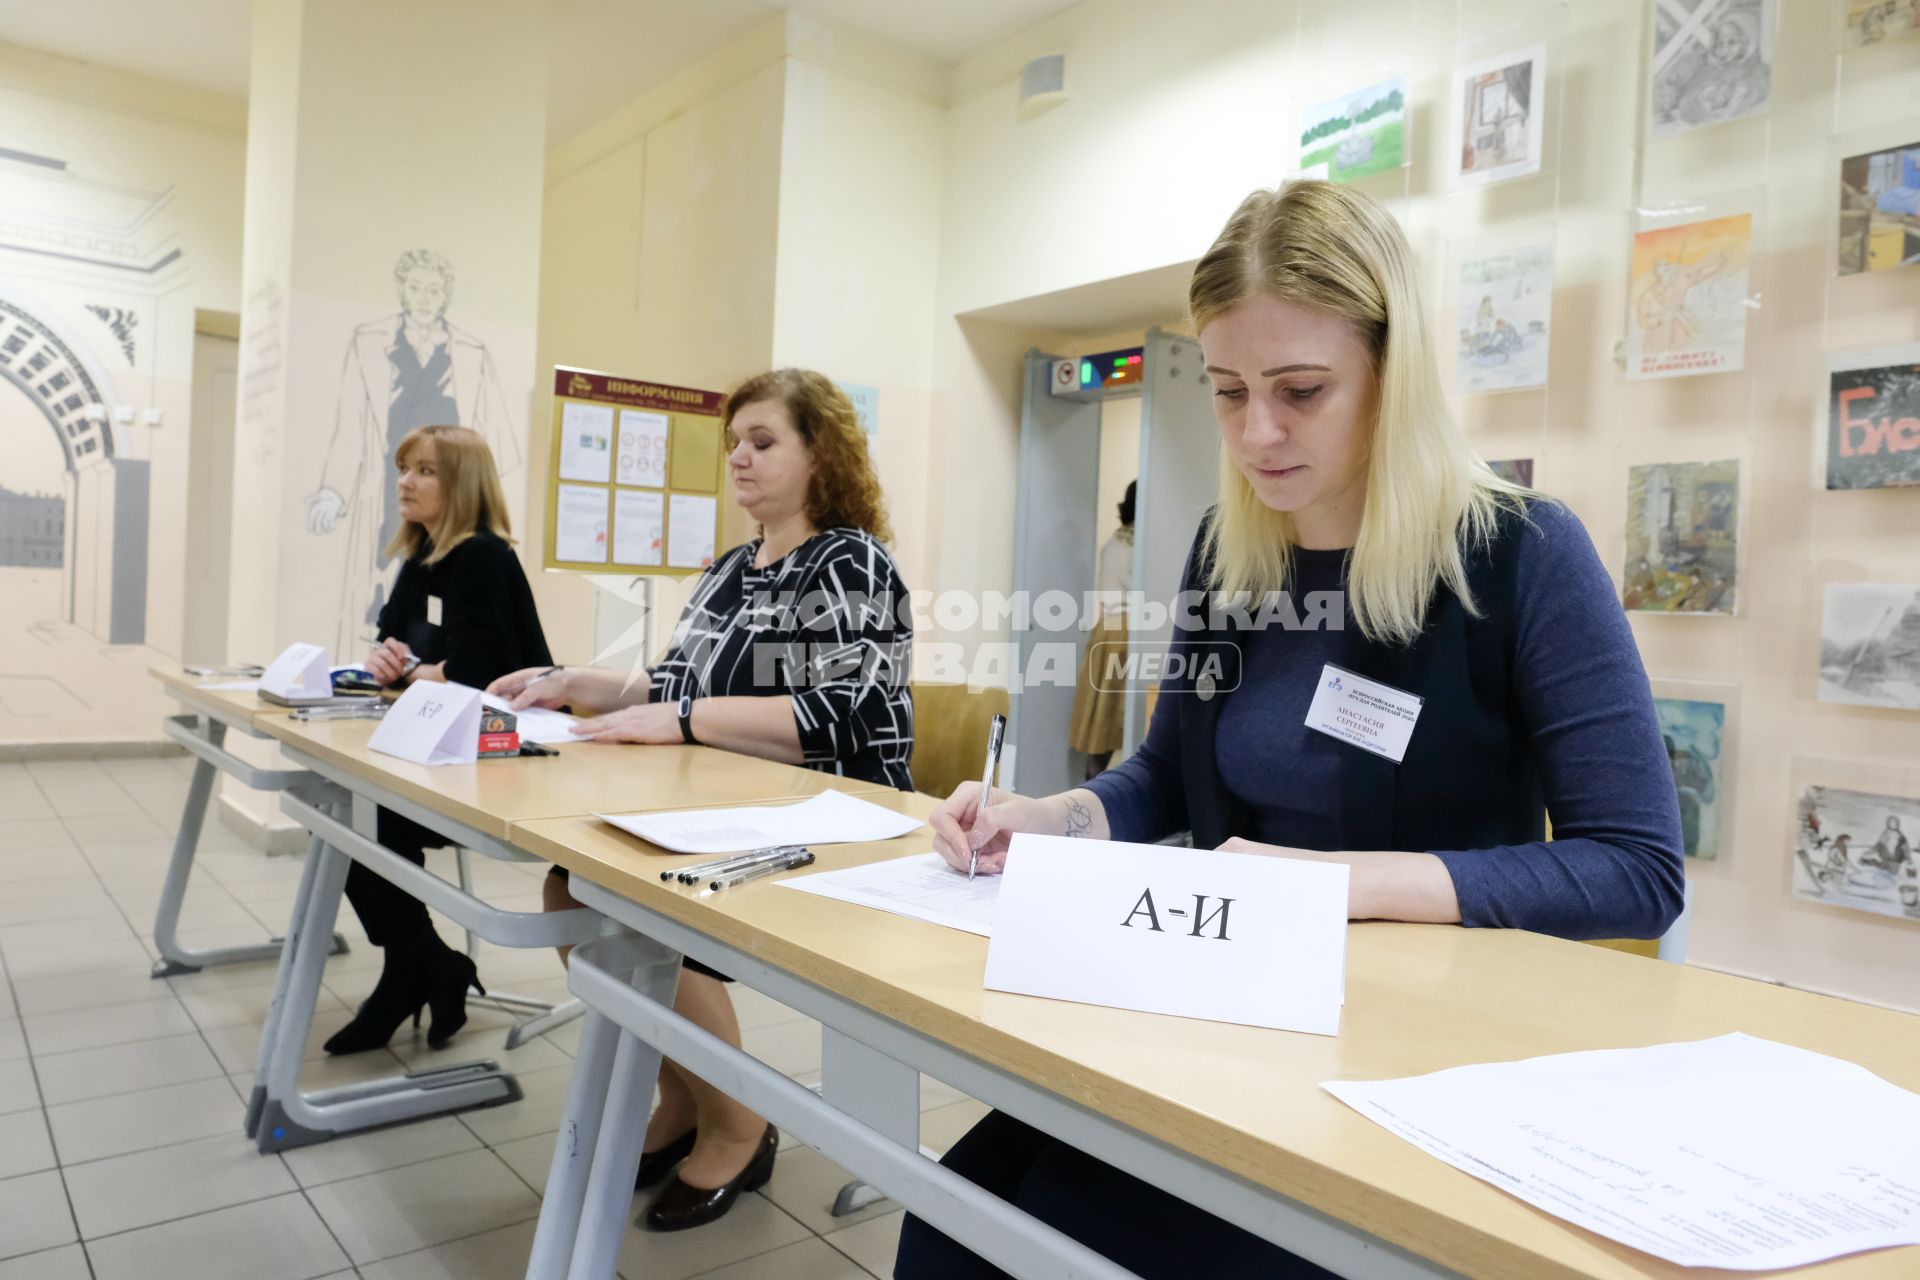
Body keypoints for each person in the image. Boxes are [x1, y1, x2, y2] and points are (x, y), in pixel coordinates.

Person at [895, 181, 1685, 1279]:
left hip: (1413, 1062)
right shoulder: (1230, 551)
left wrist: (1336, 882)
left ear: (1389, 374)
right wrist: (1053, 816)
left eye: (1301, 390)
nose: (1257, 431)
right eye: (1228, 392)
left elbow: (1638, 869)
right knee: (956, 1224)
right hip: (1225, 1014)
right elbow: (1166, 775)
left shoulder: (1522, 553)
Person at [490, 368, 912, 1232]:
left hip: (837, 818)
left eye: (764, 442)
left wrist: (679, 718)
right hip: (728, 805)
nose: (741, 460)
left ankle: (737, 1120)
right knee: (572, 889)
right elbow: (670, 684)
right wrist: (571, 680)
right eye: (735, 445)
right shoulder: (730, 568)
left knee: (632, 901)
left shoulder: (850, 561)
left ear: (820, 451)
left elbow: (843, 712)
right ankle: (686, 1097)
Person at [325, 425, 553, 1056]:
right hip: (440, 745)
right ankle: (424, 965)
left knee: (368, 819)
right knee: (345, 811)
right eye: (404, 468)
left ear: (461, 484)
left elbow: (480, 669)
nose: (406, 481)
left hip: (499, 755)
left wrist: (418, 669)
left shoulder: (482, 555)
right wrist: (387, 658)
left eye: (424, 471)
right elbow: (394, 640)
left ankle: (413, 971)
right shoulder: (421, 553)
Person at [1068, 480, 1135, 777]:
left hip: (1104, 631)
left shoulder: (1114, 541)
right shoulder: (1140, 544)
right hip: (1126, 632)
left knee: (1098, 722)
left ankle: (1090, 782)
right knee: (1113, 721)